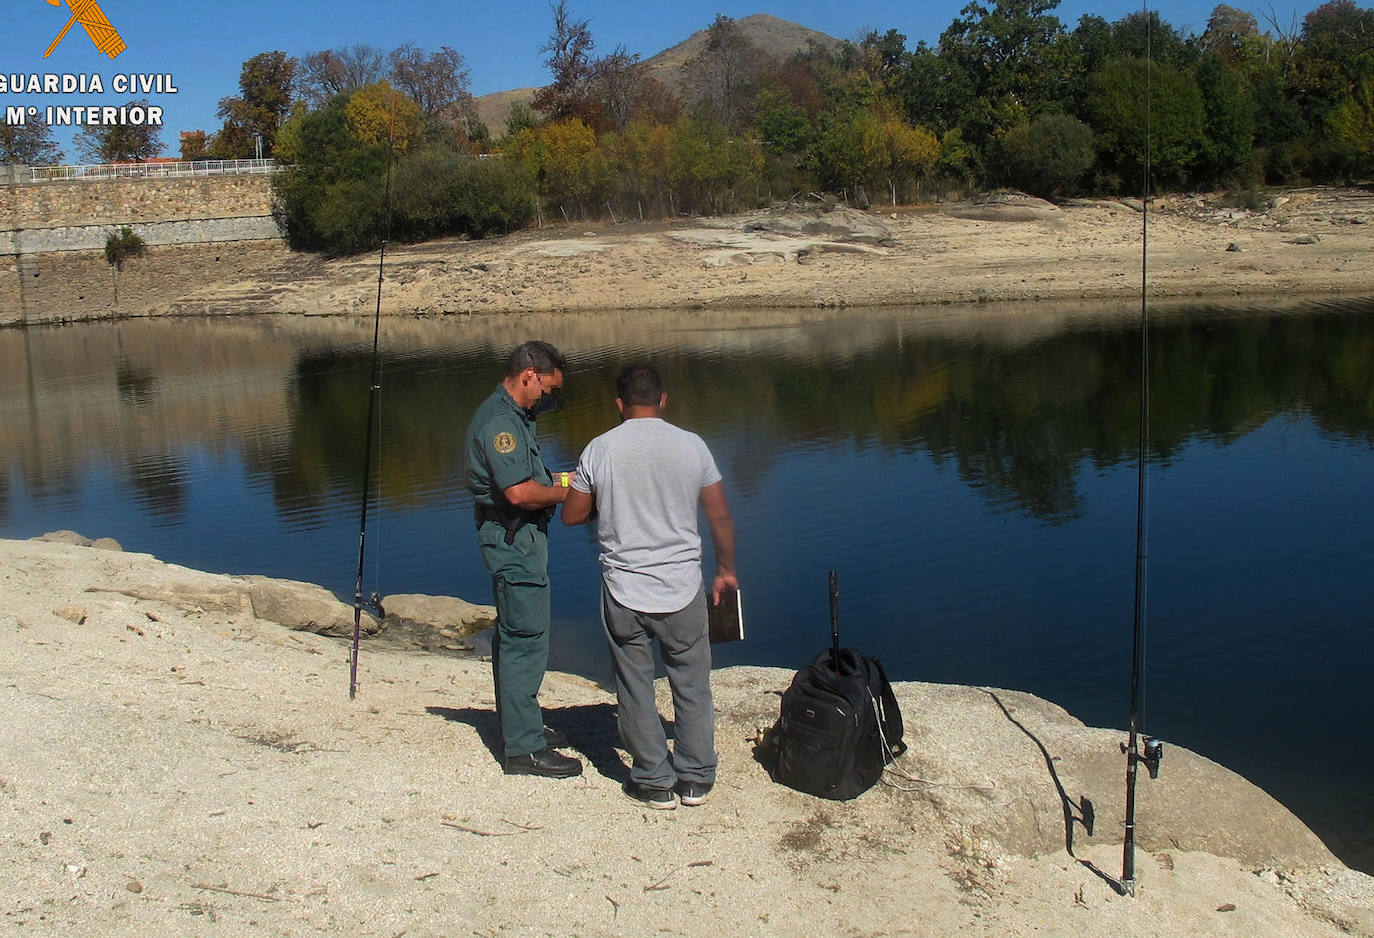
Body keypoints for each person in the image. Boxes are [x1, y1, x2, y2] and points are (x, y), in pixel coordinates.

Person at [562, 363, 738, 809]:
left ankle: (654, 781)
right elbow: (718, 515)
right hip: (682, 587)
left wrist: (609, 499)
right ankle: (696, 777)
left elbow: (572, 515)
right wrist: (725, 571)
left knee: (635, 685)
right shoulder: (692, 446)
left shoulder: (599, 449)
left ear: (618, 405)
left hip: (623, 589)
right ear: (663, 400)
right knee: (692, 682)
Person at [465, 340, 581, 779]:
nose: (549, 400)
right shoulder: (500, 423)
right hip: (513, 540)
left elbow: (530, 477)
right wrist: (575, 493)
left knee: (518, 635)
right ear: (529, 375)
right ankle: (523, 750)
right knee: (524, 640)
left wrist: (564, 477)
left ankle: (522, 727)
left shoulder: (515, 417)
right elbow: (519, 492)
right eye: (548, 390)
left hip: (521, 538)